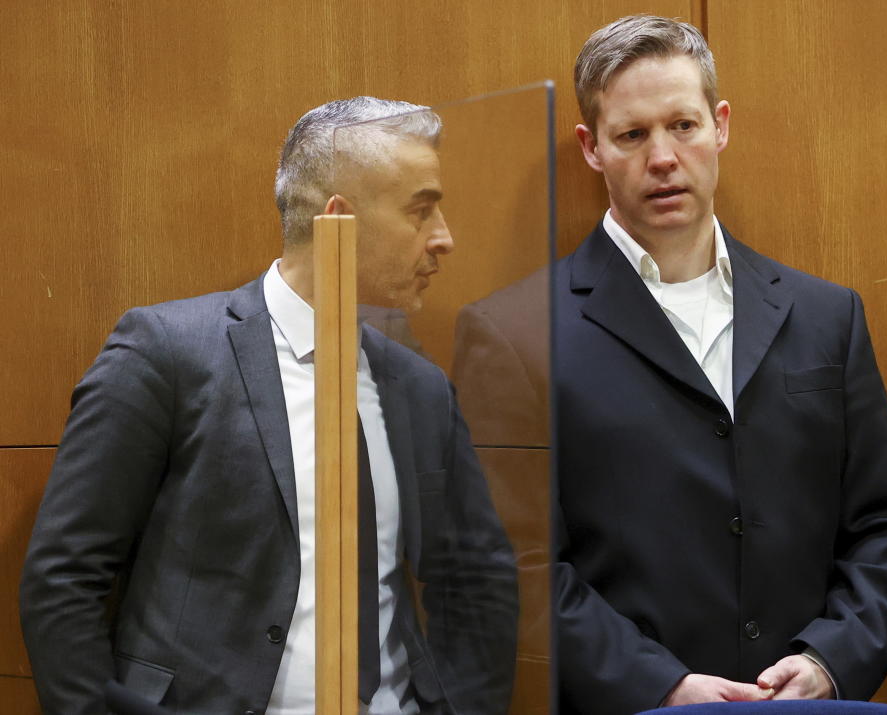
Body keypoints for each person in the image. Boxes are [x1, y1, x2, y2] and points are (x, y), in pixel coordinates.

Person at [454, 14, 887, 714]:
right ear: (591, 147)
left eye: (683, 125)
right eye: (632, 134)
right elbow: (515, 566)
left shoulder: (829, 315)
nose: (665, 157)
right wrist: (658, 682)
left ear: (721, 124)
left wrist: (831, 658)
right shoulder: (512, 332)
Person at [20, 97, 518, 715]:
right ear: (339, 223)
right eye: (421, 211)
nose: (445, 238)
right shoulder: (167, 354)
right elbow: (65, 577)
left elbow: (477, 580)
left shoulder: (420, 387)